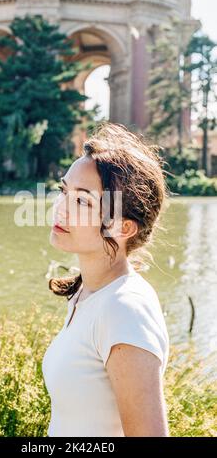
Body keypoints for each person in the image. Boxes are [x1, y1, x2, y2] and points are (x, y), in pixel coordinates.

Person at [42, 122, 170, 437]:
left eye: (82, 201)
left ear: (123, 228)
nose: (61, 208)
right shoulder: (87, 292)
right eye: (63, 191)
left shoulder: (124, 308)